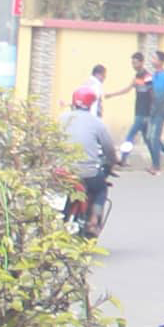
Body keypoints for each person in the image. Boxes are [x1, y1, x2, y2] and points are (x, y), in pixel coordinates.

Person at [59, 87, 119, 236]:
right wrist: (113, 161)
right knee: (101, 189)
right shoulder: (96, 123)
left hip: (62, 171)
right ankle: (93, 220)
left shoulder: (62, 119)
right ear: (91, 103)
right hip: (87, 172)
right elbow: (108, 149)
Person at [123, 51, 155, 168]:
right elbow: (127, 89)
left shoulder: (147, 77)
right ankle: (159, 160)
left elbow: (153, 94)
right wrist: (112, 95)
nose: (133, 65)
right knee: (148, 140)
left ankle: (123, 158)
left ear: (142, 62)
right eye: (132, 63)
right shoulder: (137, 76)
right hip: (139, 111)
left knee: (130, 135)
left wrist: (151, 112)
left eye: (135, 63)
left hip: (144, 113)